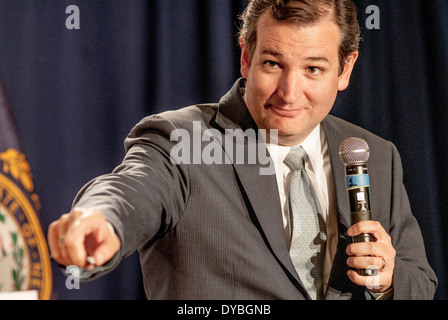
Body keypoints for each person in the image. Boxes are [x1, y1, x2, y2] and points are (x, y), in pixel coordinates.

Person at [48, 0, 437, 300]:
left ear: (345, 69)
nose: (289, 92)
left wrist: (388, 281)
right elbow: (133, 189)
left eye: (313, 69)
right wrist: (102, 220)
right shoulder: (183, 139)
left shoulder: (375, 155)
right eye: (272, 63)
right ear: (246, 57)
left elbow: (420, 282)